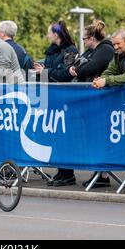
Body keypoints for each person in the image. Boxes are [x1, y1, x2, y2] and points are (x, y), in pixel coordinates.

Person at [87, 29, 125, 188]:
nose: (115, 47)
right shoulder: (116, 55)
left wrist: (107, 81)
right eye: (114, 44)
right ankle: (103, 174)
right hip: (120, 108)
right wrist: (101, 78)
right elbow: (110, 70)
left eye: (118, 44)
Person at [34, 20, 78, 186]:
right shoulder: (51, 51)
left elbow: (66, 74)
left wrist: (45, 71)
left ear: (56, 34)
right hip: (51, 98)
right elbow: (54, 71)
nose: (47, 35)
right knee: (54, 135)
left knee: (64, 135)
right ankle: (61, 171)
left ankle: (68, 173)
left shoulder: (70, 50)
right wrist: (42, 70)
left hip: (64, 98)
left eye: (49, 32)